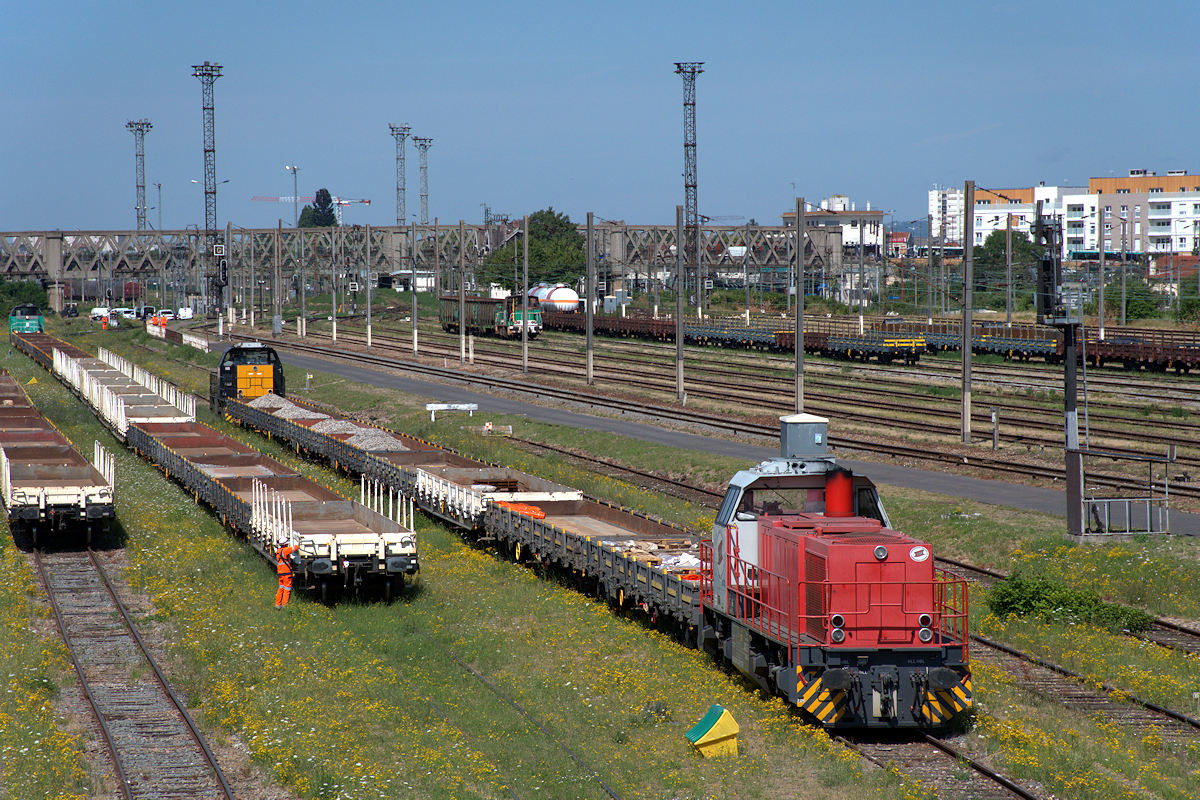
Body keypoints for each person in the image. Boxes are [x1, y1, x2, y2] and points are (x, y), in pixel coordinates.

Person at [274, 540, 298, 608]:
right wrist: (297, 543)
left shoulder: (278, 551)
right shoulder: (285, 550)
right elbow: (295, 548)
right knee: (287, 589)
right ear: (285, 544)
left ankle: (278, 604)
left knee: (281, 588)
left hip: (280, 572)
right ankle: (285, 605)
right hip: (286, 572)